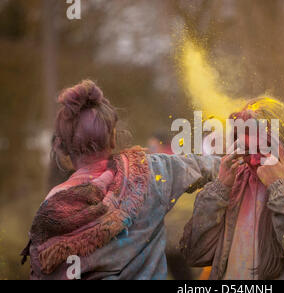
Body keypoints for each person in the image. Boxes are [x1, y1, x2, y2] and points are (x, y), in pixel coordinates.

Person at [21, 80, 220, 280]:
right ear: (113, 137)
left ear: (63, 150)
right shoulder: (151, 172)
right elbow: (211, 167)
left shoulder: (52, 208)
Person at [180, 97, 284, 280]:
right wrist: (220, 188)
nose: (248, 147)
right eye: (241, 135)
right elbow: (194, 254)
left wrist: (278, 188)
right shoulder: (236, 180)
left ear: (282, 139)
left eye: (257, 136)